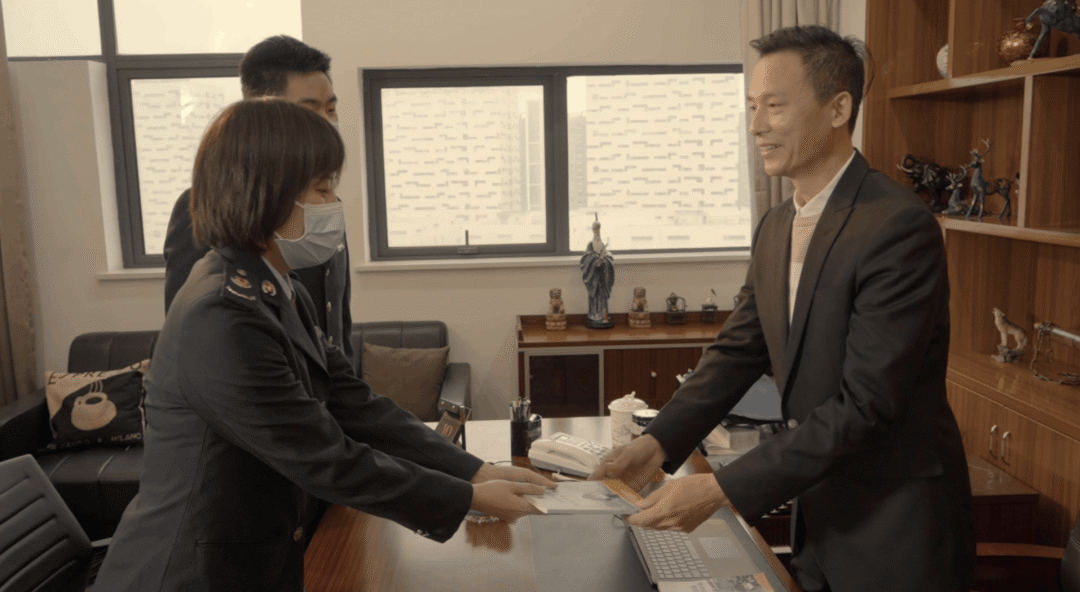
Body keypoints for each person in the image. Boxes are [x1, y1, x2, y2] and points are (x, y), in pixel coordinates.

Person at [93, 99, 553, 592]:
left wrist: (474, 470)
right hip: (188, 571)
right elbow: (322, 457)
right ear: (266, 194)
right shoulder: (223, 314)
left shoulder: (279, 288)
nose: (334, 204)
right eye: (321, 188)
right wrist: (465, 498)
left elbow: (355, 405)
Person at [591, 25, 975, 592]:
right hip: (817, 513)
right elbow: (738, 350)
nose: (755, 126)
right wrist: (658, 442)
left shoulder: (896, 227)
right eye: (752, 106)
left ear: (839, 108)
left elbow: (867, 404)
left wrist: (723, 489)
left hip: (894, 528)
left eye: (774, 106)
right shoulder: (777, 225)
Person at [163, 35, 352, 364]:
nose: (326, 122)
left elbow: (336, 320)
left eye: (331, 109)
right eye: (309, 110)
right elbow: (201, 335)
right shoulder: (214, 206)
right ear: (263, 114)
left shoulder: (321, 203)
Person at [579, 218, 614, 328]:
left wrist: (604, 262)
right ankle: (594, 316)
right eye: (595, 229)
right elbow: (585, 258)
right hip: (593, 277)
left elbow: (608, 257)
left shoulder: (602, 244)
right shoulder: (590, 244)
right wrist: (595, 261)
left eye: (598, 228)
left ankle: (603, 316)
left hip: (602, 277)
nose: (597, 231)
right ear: (592, 230)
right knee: (594, 297)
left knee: (602, 298)